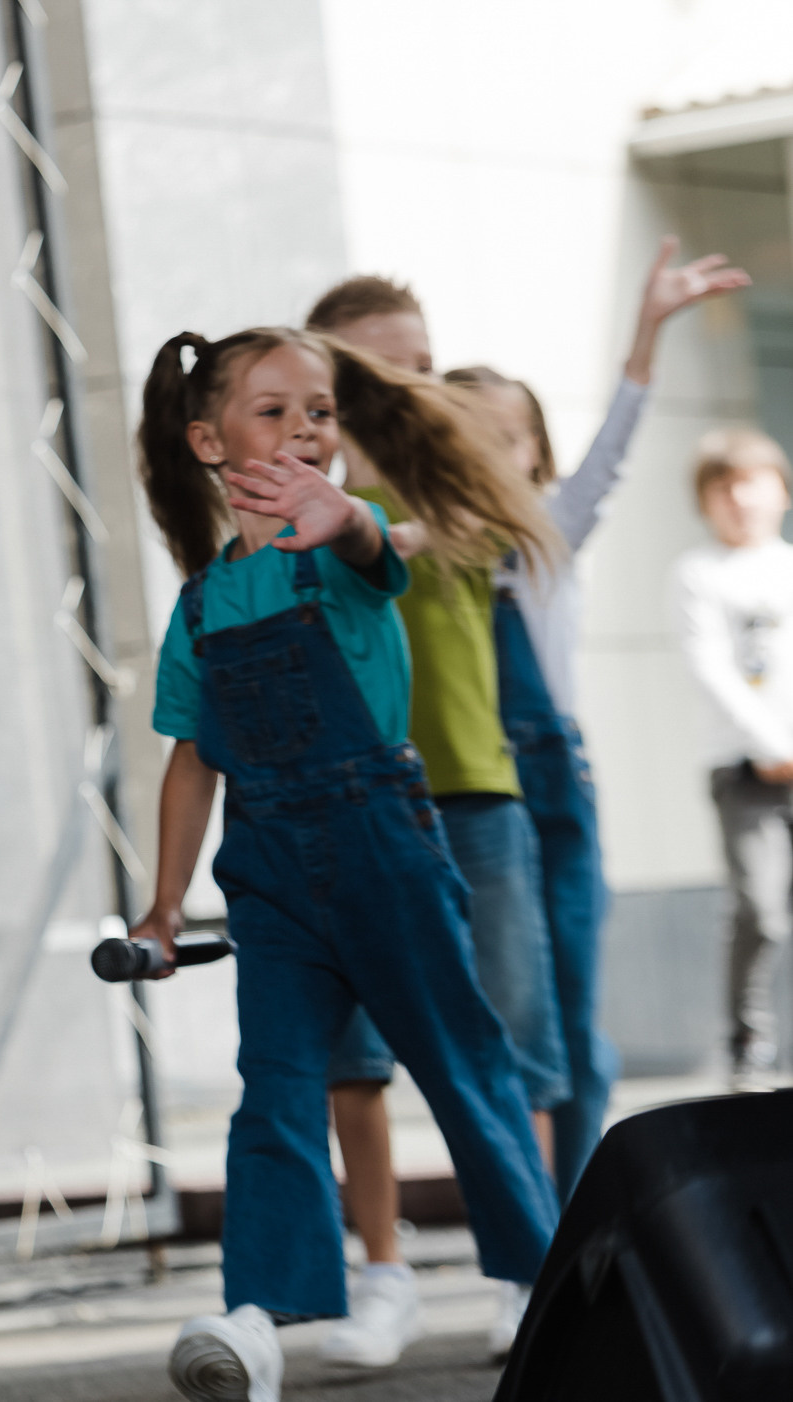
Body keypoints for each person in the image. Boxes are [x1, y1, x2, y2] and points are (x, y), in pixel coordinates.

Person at [309, 252, 749, 1367]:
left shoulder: (519, 524)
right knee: (425, 1038)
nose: (424, 389)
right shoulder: (365, 510)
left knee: (557, 1034)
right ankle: (457, 1262)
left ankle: (564, 1246)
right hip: (408, 784)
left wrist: (645, 334)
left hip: (528, 783)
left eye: (511, 435)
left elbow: (602, 463)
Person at [131, 325, 558, 1402]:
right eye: (273, 411)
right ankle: (256, 1318)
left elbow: (372, 545)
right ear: (208, 442)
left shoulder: (347, 542)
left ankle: (544, 1279)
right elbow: (192, 759)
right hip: (268, 872)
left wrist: (353, 520)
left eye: (319, 411)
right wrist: (163, 905)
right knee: (275, 1088)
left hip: (384, 849)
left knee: (461, 1062)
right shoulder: (200, 603)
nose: (306, 429)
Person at [673, 427, 793, 1093]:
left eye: (753, 482)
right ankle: (748, 1042)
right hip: (744, 772)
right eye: (724, 487)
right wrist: (772, 745)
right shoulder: (699, 573)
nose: (740, 499)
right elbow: (711, 668)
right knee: (760, 909)